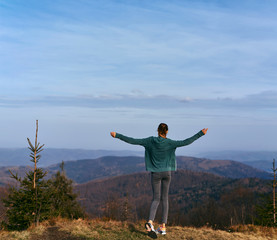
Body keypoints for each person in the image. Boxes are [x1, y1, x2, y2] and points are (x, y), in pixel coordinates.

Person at [110, 123, 208, 237]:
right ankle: (162, 227)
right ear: (167, 131)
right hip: (167, 173)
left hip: (155, 173)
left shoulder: (150, 141)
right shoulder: (170, 143)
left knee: (156, 198)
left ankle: (150, 222)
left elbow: (133, 140)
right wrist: (201, 133)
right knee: (165, 199)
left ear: (158, 131)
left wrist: (117, 135)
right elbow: (186, 142)